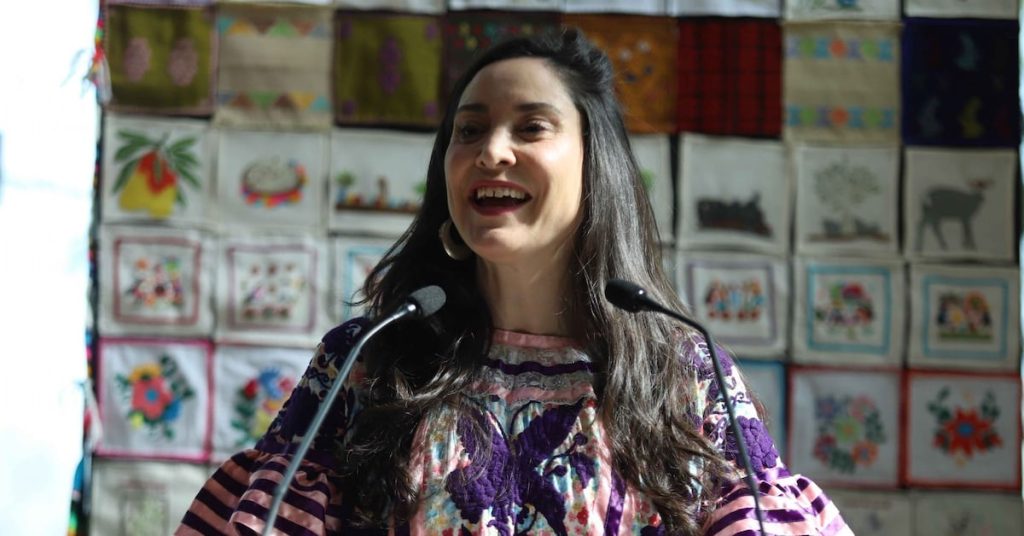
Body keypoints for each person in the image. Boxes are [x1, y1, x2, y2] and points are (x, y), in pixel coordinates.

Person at [177, 29, 850, 535]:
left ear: (595, 165)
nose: (491, 151)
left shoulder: (685, 374)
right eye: (469, 131)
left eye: (531, 127)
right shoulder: (367, 358)